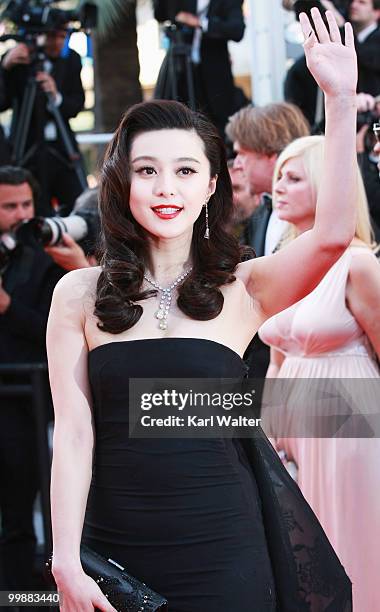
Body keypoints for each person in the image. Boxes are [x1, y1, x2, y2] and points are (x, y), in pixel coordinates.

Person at [47, 9, 356, 611]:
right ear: (122, 183)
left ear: (212, 184)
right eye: (147, 171)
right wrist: (63, 558)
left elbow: (332, 236)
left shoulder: (244, 286)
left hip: (226, 542)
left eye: (186, 171)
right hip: (117, 547)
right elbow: (76, 433)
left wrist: (340, 102)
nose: (167, 188)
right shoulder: (79, 294)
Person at [258, 134, 380, 611]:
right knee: (301, 553)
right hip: (293, 430)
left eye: (293, 177)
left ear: (328, 188)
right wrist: (272, 428)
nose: (279, 188)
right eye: (278, 177)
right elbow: (276, 356)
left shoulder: (358, 264)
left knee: (351, 543)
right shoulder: (279, 265)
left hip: (352, 431)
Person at [0, 166, 64, 591]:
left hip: (24, 400)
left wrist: (7, 306)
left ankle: (21, 596)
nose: (21, 214)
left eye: (26, 204)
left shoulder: (46, 256)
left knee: (22, 510)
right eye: (9, 206)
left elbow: (53, 331)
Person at [225, 101, 309, 377]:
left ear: (270, 156)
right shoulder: (262, 214)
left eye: (242, 154)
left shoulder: (316, 221)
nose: (237, 165)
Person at [0, 27, 86, 215]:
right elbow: (2, 102)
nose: (57, 43)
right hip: (25, 148)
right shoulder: (18, 58)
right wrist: (4, 68)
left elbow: (76, 105)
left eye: (62, 36)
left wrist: (56, 97)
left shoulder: (70, 59)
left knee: (78, 204)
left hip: (62, 149)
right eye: (51, 35)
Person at [153, 0, 245, 137]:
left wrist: (201, 23)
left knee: (218, 121)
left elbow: (237, 30)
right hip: (181, 70)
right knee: (174, 119)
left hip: (215, 72)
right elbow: (161, 14)